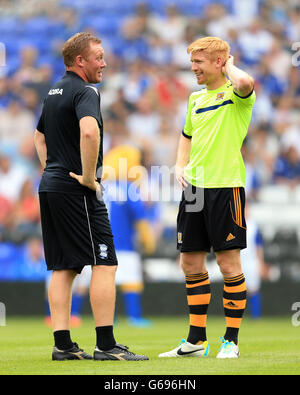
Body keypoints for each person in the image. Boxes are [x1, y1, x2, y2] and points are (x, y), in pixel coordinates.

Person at [33, 32, 148, 361]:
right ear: (79, 60)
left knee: (64, 267)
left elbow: (38, 138)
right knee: (105, 263)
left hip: (51, 184)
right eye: (98, 56)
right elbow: (89, 130)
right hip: (77, 189)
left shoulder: (53, 92)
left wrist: (51, 169)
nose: (105, 62)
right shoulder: (86, 90)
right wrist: (86, 176)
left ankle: (63, 345)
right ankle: (106, 345)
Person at [159, 36, 255, 359]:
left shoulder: (237, 95)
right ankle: (196, 340)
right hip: (195, 192)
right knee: (189, 262)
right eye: (192, 62)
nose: (193, 68)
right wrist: (179, 164)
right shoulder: (194, 99)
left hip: (226, 189)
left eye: (199, 62)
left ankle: (231, 341)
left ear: (219, 63)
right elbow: (185, 136)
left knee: (229, 264)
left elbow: (245, 80)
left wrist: (228, 62)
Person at [103, 145, 156, 327]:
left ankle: (110, 318)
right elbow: (140, 218)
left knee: (108, 283)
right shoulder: (129, 188)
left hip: (102, 245)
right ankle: (134, 317)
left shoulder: (101, 188)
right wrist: (148, 241)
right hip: (124, 244)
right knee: (131, 281)